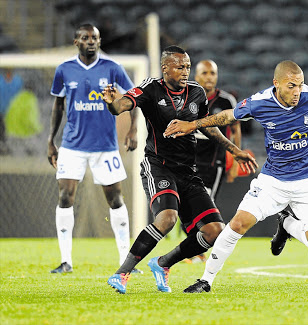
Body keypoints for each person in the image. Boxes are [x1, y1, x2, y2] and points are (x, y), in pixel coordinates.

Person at [166, 60, 308, 293]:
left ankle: (286, 223)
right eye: (291, 86)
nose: (297, 91)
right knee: (238, 223)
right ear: (276, 83)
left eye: (300, 85)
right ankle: (206, 280)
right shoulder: (260, 102)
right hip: (273, 181)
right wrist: (192, 124)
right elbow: (227, 116)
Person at [101, 45, 257, 294]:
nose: (185, 71)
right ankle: (121, 274)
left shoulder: (196, 93)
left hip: (188, 171)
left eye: (187, 66)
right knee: (167, 219)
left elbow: (208, 126)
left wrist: (234, 150)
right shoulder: (151, 87)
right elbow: (122, 105)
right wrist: (111, 104)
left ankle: (162, 263)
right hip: (158, 167)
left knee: (214, 232)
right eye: (180, 67)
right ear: (165, 68)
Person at [47, 24, 139, 274]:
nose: (91, 41)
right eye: (86, 38)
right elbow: (58, 106)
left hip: (105, 146)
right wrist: (50, 141)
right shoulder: (64, 69)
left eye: (95, 38)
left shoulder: (112, 68)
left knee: (115, 199)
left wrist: (133, 130)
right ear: (76, 41)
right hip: (72, 145)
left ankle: (125, 261)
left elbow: (135, 98)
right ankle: (66, 261)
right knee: (65, 196)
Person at [181, 59, 242, 264]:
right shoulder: (184, 98)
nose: (209, 77)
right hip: (187, 162)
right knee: (185, 206)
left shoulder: (226, 101)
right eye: (205, 73)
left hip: (213, 163)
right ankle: (197, 247)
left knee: (204, 205)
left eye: (212, 73)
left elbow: (235, 129)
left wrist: (234, 159)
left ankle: (198, 250)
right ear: (195, 76)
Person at [0, 68, 23, 155]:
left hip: (13, 113)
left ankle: (10, 149)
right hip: (1, 112)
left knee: (11, 133)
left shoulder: (18, 81)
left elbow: (21, 95)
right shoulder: (0, 81)